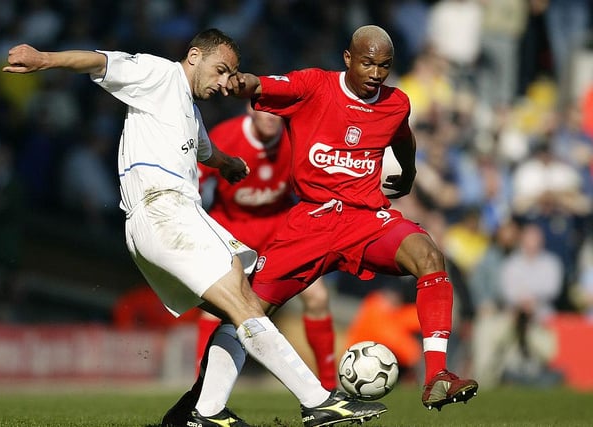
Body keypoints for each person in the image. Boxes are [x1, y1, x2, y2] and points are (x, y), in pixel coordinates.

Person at [2, 28, 387, 427]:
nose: (224, 84)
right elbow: (101, 61)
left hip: (172, 216)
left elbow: (203, 150)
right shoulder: (158, 74)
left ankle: (205, 412)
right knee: (243, 302)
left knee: (245, 302)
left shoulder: (190, 109)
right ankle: (317, 401)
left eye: (229, 75)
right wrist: (44, 59)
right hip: (163, 210)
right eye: (220, 71)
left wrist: (228, 164)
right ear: (193, 56)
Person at [169, 25, 479, 422]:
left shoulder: (396, 103)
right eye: (367, 63)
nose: (375, 73)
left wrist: (409, 171)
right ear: (348, 59)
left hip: (366, 218)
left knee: (429, 254)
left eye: (384, 66)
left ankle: (437, 374)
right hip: (311, 221)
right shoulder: (313, 85)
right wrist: (239, 81)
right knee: (244, 311)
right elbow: (261, 86)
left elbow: (403, 137)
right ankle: (200, 401)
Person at [197, 103, 337, 390]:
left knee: (318, 298)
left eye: (278, 111)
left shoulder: (296, 137)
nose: (272, 118)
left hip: (281, 228)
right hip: (232, 229)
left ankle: (329, 385)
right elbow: (196, 179)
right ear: (250, 108)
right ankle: (200, 389)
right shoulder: (225, 135)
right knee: (214, 309)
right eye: (266, 110)